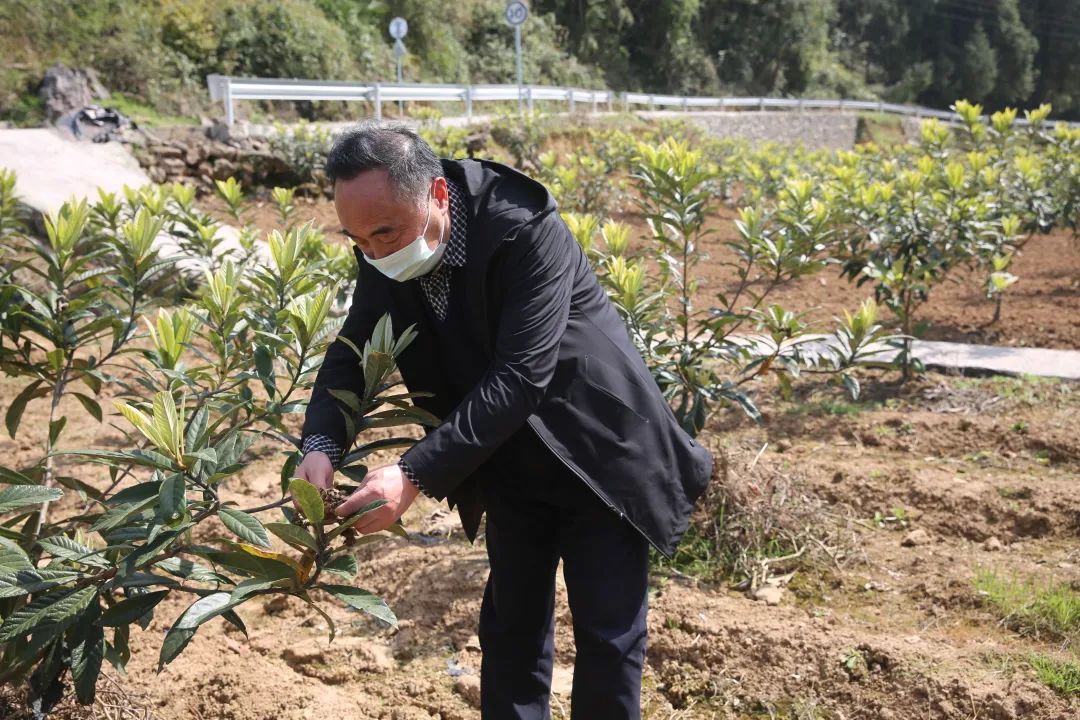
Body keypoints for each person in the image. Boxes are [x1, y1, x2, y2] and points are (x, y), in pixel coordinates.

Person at [293, 122, 713, 719]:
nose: (375, 253)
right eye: (358, 240)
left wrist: (411, 474)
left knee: (608, 636)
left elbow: (521, 376)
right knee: (511, 632)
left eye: (385, 233)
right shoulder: (381, 249)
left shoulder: (522, 227)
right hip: (508, 457)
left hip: (598, 453)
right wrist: (320, 444)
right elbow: (353, 349)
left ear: (437, 195)